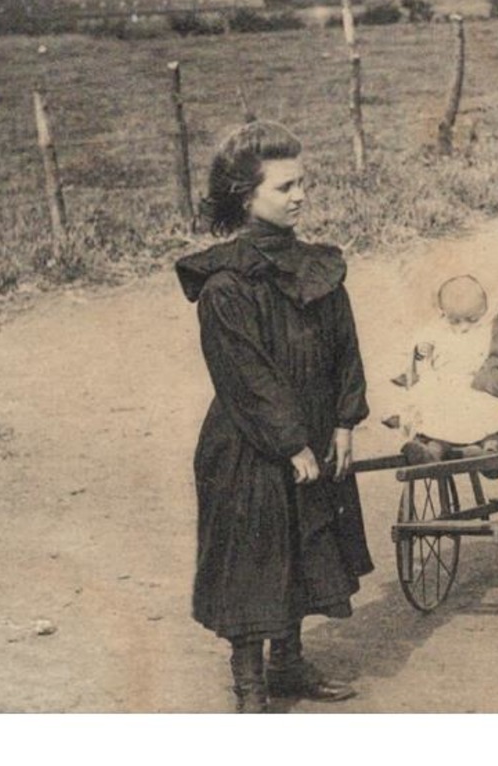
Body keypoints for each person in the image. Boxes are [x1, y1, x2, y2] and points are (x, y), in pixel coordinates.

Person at [176, 120, 372, 713]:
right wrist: (291, 444)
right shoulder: (226, 285)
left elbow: (345, 348)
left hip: (313, 433)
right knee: (255, 559)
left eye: (302, 183)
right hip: (250, 448)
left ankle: (288, 665)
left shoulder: (320, 269)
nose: (300, 196)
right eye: (285, 187)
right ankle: (251, 685)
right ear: (245, 196)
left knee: (306, 546)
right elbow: (246, 376)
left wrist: (343, 423)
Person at [386, 275, 498, 468]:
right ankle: (431, 453)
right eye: (455, 321)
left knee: (497, 423)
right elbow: (420, 364)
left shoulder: (489, 333)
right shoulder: (435, 335)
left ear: (483, 311)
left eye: (472, 319)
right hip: (449, 399)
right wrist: (419, 358)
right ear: (442, 313)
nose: (464, 327)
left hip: (481, 394)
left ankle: (487, 452)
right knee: (434, 425)